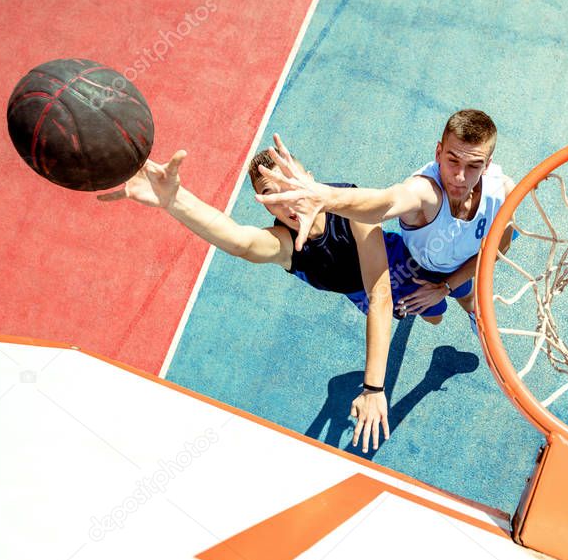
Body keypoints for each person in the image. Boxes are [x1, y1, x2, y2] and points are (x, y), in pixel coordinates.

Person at [97, 136, 453, 452]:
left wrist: (374, 388)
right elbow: (240, 241)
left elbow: (381, 293)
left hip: (399, 267)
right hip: (358, 292)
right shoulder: (286, 246)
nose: (285, 196)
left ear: (309, 178)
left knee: (436, 314)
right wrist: (174, 199)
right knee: (403, 318)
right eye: (271, 194)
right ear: (266, 207)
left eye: (289, 180)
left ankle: (456, 293)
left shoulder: (350, 206)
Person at [255, 110, 515, 332]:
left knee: (467, 295)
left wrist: (447, 286)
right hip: (422, 266)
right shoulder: (424, 192)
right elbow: (386, 202)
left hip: (464, 263)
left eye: (473, 166)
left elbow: (499, 248)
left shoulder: (503, 191)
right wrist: (325, 197)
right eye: (452, 161)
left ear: (488, 165)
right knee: (435, 318)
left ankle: (471, 311)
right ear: (438, 153)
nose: (459, 176)